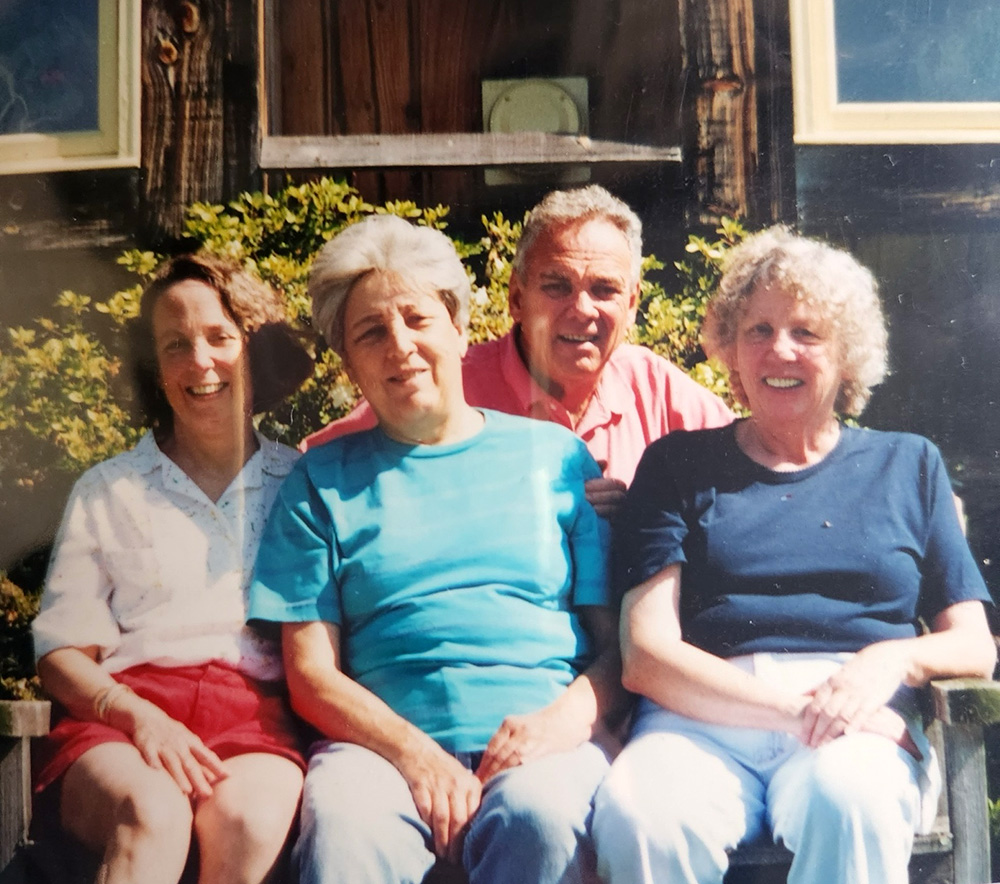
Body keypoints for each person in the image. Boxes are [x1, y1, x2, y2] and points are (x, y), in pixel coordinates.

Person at [591, 227, 996, 884]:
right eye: (758, 330)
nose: (780, 349)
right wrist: (795, 711)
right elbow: (646, 655)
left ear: (847, 355)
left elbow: (974, 645)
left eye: (806, 332)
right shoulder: (677, 466)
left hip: (856, 720)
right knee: (641, 813)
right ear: (730, 349)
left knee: (852, 799)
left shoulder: (907, 464)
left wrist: (893, 658)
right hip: (701, 719)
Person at [248, 214, 627, 884]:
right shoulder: (319, 481)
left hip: (542, 739)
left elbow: (614, 646)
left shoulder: (557, 458)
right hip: (379, 752)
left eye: (417, 319)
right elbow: (311, 674)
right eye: (371, 332)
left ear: (458, 327)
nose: (400, 346)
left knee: (540, 817)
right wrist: (415, 755)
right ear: (348, 362)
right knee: (346, 832)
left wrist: (562, 723)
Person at [31, 254, 314, 884]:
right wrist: (138, 716)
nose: (200, 361)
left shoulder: (300, 483)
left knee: (247, 822)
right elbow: (60, 652)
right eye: (176, 345)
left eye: (219, 337)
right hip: (119, 723)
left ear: (254, 350)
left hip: (256, 723)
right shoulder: (110, 489)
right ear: (154, 368)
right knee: (153, 813)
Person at [303, 186, 732, 508]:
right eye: (557, 286)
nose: (582, 309)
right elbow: (315, 463)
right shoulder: (449, 382)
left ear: (633, 304)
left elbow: (747, 464)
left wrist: (643, 512)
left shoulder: (655, 388)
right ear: (516, 299)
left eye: (605, 289)